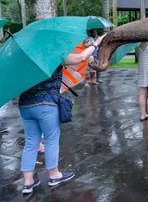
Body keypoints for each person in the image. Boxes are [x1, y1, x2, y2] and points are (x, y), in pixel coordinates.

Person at [18, 34, 105, 194]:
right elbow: (80, 57)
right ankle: (54, 175)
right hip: (46, 103)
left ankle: (28, 182)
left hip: (25, 105)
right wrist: (96, 44)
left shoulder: (26, 60)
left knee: (31, 143)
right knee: (51, 140)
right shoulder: (53, 55)